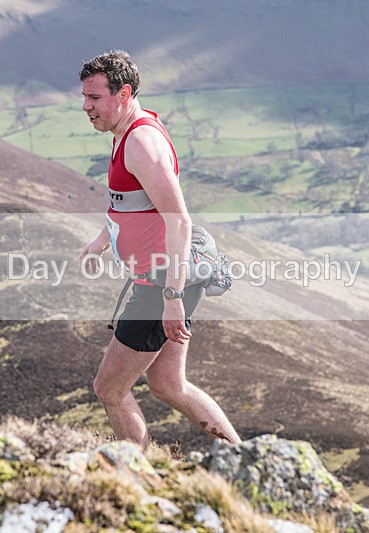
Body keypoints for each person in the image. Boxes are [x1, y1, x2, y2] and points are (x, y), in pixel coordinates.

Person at [77, 50, 241, 449]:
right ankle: (244, 458)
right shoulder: (126, 130)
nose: (86, 106)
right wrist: (103, 238)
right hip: (163, 281)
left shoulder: (141, 144)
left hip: (161, 285)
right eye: (84, 97)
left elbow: (179, 221)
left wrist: (170, 299)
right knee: (169, 384)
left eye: (95, 98)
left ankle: (138, 475)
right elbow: (129, 201)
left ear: (124, 92)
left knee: (109, 388)